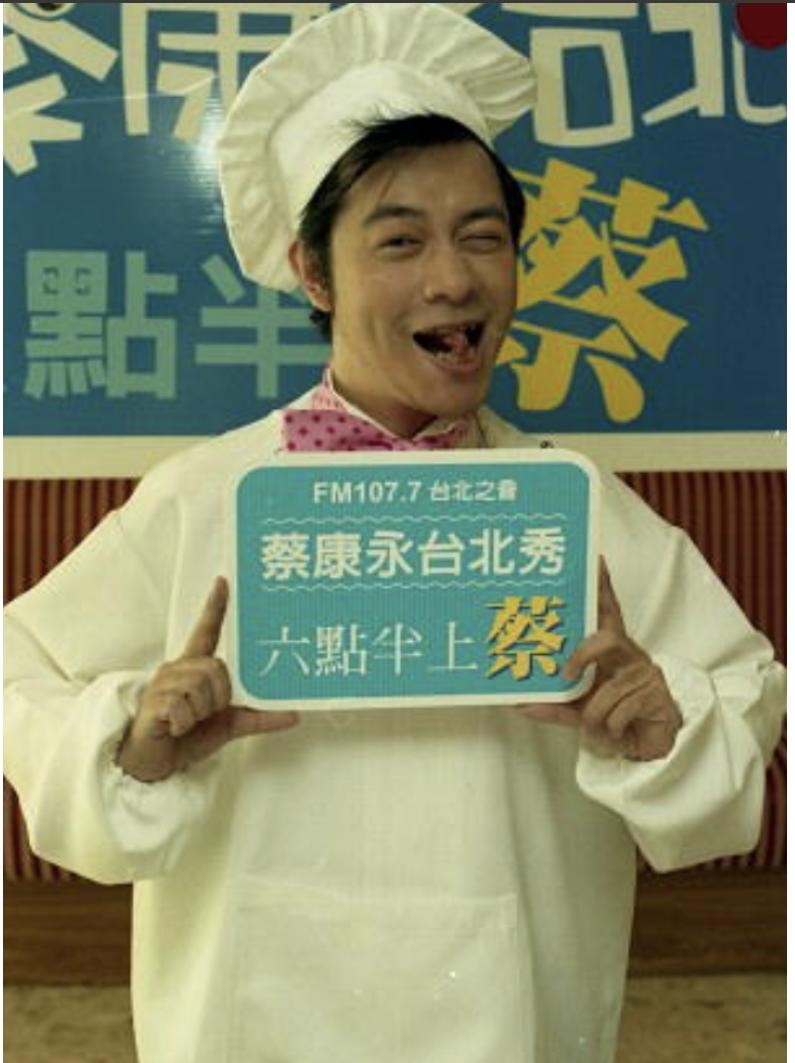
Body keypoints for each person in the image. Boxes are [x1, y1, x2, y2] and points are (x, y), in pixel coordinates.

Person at [4, 5, 785, 1062]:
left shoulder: (573, 505)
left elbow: (744, 691)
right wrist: (130, 739)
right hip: (252, 1006)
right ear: (313, 271)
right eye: (400, 240)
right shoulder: (206, 497)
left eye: (483, 236)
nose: (453, 279)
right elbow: (20, 669)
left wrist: (661, 724)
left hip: (515, 1006)